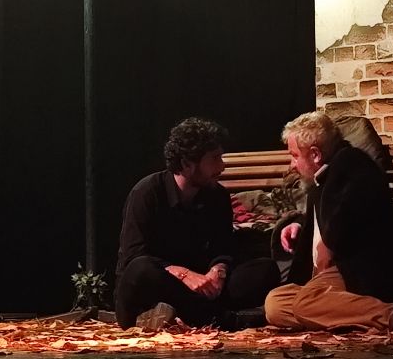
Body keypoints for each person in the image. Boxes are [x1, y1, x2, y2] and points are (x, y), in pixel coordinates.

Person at [264, 111, 393, 332]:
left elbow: (344, 224)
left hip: (357, 275)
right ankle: (341, 313)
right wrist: (299, 226)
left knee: (305, 304)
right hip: (326, 280)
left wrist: (326, 247)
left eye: (295, 156)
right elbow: (324, 218)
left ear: (315, 154)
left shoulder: (353, 166)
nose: (292, 165)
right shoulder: (320, 179)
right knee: (276, 303)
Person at [114, 117, 280, 331]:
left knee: (265, 269)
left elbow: (223, 248)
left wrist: (217, 271)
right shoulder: (146, 193)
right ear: (186, 164)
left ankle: (184, 315)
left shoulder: (217, 195)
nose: (221, 167)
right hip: (159, 285)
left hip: (201, 289)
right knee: (142, 269)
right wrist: (185, 275)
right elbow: (133, 257)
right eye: (215, 159)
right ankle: (223, 319)